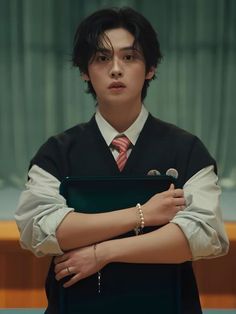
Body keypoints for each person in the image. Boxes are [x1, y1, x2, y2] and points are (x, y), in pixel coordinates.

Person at [15, 7, 229, 314]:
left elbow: (203, 234)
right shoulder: (56, 152)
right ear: (84, 71)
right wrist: (143, 214)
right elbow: (39, 229)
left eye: (129, 57)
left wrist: (103, 253)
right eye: (102, 58)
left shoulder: (187, 150)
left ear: (151, 67)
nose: (116, 69)